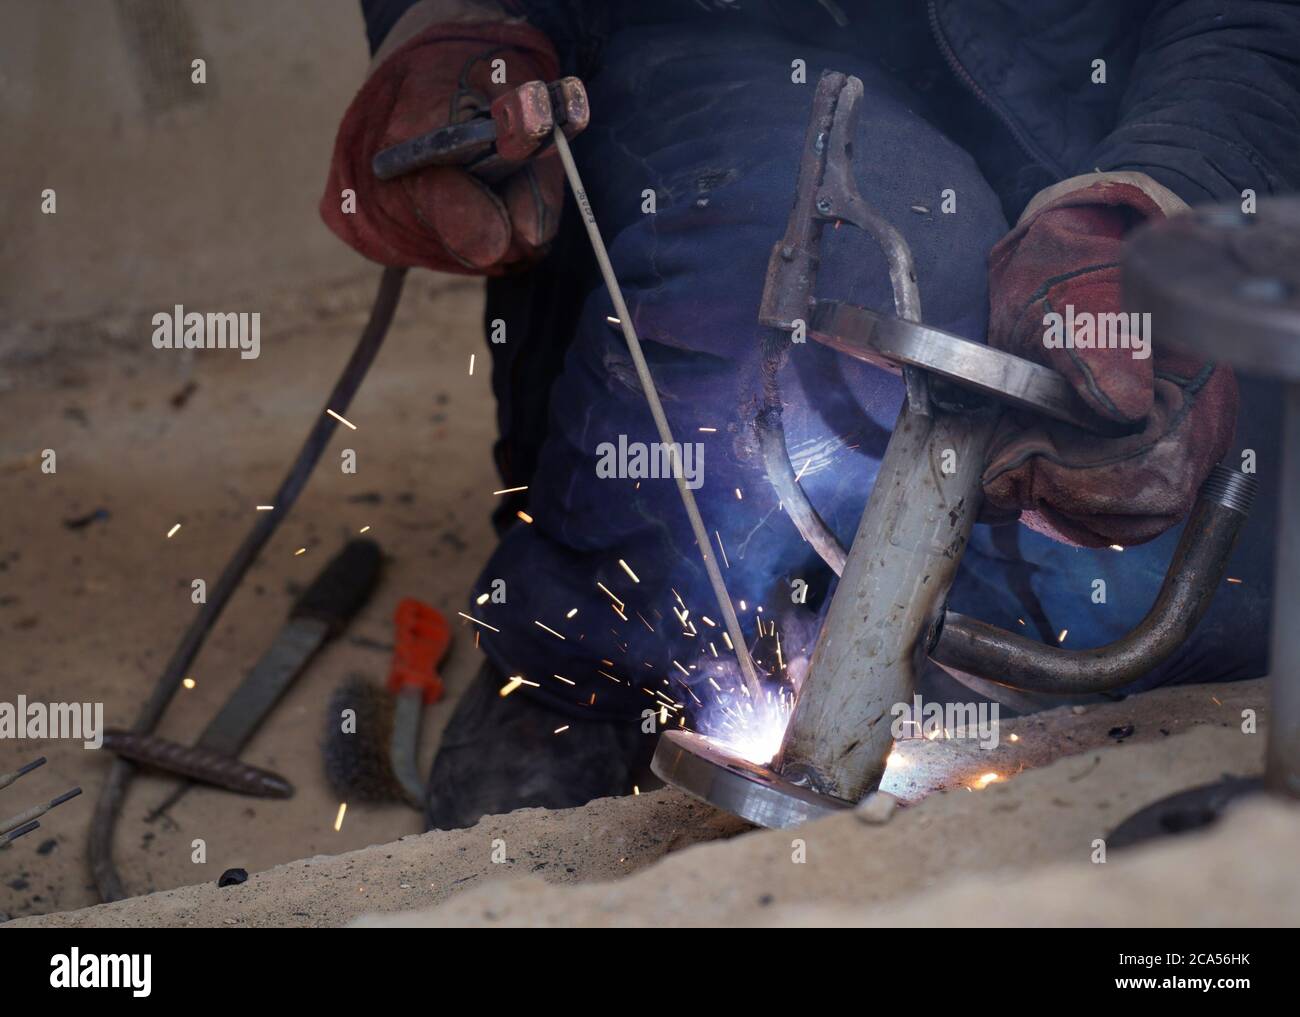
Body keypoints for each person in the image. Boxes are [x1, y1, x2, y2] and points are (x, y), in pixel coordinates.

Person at [322, 0, 1300, 829]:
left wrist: (1163, 195)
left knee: (1124, 524)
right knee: (833, 269)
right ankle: (583, 675)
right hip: (723, 40)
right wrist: (458, 20)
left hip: (1136, 72)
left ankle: (927, 663)